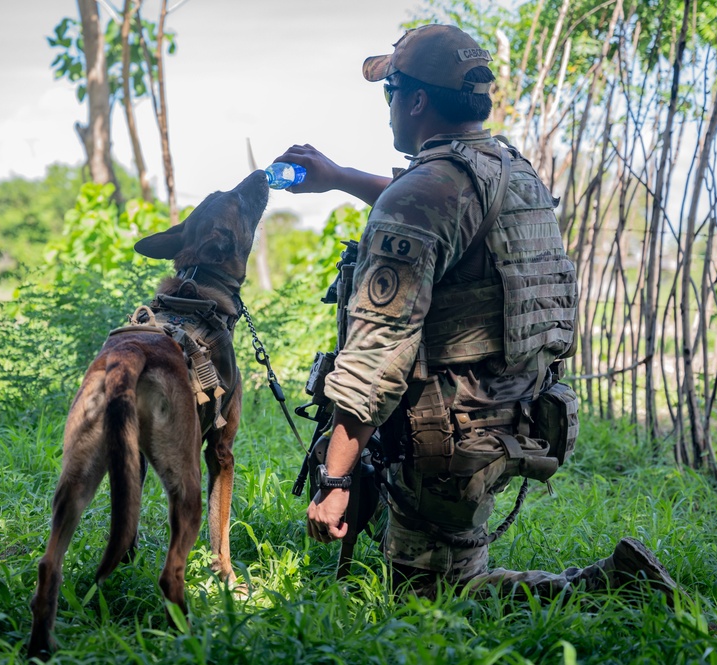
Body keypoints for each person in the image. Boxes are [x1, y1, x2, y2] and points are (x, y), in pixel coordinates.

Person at [274, 24, 680, 604]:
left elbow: (374, 358)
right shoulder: (508, 170)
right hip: (516, 414)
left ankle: (612, 591)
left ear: (415, 100)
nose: (386, 105)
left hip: (449, 434)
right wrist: (338, 178)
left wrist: (336, 480)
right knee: (427, 565)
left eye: (390, 90)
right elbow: (437, 205)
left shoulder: (426, 193)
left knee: (428, 600)